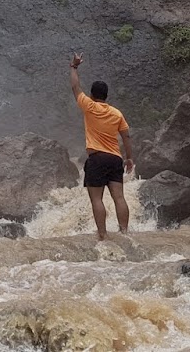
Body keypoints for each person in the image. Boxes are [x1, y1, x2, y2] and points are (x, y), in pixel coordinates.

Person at [70, 52, 133, 240]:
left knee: (96, 198)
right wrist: (129, 158)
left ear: (92, 95)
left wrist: (74, 67)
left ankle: (103, 235)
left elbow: (75, 86)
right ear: (106, 96)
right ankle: (124, 233)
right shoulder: (116, 113)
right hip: (115, 158)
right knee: (119, 197)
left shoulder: (89, 106)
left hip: (97, 158)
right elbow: (126, 136)